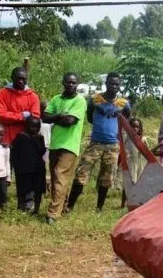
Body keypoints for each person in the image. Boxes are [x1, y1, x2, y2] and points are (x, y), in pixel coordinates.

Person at [66, 73, 130, 213]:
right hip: (95, 143)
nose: (114, 86)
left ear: (119, 86)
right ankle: (69, 206)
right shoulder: (95, 99)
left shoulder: (123, 103)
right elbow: (90, 117)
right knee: (81, 173)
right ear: (106, 84)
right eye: (111, 83)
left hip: (113, 145)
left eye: (117, 84)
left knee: (106, 178)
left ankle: (99, 209)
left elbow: (127, 118)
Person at [42, 72, 87, 225]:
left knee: (59, 174)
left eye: (73, 82)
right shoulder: (56, 99)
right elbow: (45, 117)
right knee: (57, 178)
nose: (70, 85)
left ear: (77, 84)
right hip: (55, 143)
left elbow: (70, 121)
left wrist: (55, 116)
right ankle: (63, 206)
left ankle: (53, 213)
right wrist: (60, 116)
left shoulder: (80, 101)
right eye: (68, 82)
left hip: (70, 145)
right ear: (63, 82)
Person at [0, 67, 41, 146]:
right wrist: (23, 116)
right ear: (12, 78)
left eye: (23, 79)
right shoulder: (1, 93)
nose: (21, 81)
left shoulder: (33, 96)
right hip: (6, 139)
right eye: (18, 78)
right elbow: (1, 116)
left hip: (25, 140)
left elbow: (35, 117)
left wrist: (10, 116)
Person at [11, 116, 46, 214]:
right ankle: (20, 208)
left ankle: (36, 210)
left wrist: (36, 139)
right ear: (26, 126)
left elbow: (42, 151)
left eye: (38, 127)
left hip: (37, 169)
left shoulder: (40, 138)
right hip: (23, 169)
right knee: (22, 190)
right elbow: (14, 151)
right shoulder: (21, 136)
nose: (35, 129)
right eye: (33, 126)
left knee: (38, 190)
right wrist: (17, 166)